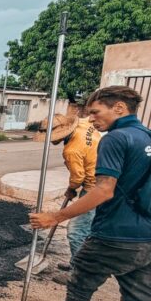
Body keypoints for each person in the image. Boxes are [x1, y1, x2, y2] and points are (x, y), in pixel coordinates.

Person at [23, 86, 151, 301]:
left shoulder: (116, 139)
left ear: (118, 107)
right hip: (149, 238)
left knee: (80, 285)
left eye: (95, 112)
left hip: (113, 235)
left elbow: (103, 191)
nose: (91, 119)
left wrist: (55, 217)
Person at [35, 113, 100, 276]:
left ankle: (78, 273)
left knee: (76, 230)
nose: (50, 140)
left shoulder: (72, 150)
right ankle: (76, 262)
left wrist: (71, 189)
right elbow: (91, 117)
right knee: (88, 228)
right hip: (106, 180)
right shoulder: (84, 124)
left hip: (94, 188)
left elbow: (78, 177)